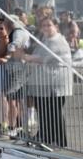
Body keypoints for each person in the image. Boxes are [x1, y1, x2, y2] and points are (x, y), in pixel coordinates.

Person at [15, 16, 73, 148]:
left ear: (56, 27)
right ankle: (46, 138)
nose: (46, 28)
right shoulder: (45, 40)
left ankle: (59, 142)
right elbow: (36, 53)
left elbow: (44, 58)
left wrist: (25, 56)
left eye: (49, 25)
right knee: (44, 113)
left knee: (54, 114)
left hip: (56, 85)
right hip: (44, 85)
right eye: (43, 26)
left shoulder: (58, 40)